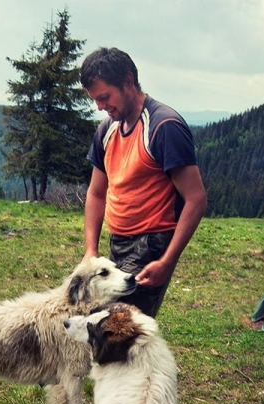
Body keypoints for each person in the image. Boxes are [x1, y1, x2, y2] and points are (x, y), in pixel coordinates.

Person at [80, 47, 207, 317]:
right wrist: (91, 250)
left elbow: (196, 199)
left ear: (128, 81)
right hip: (117, 241)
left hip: (151, 243)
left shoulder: (164, 126)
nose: (100, 107)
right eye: (95, 100)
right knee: (109, 323)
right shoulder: (107, 130)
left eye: (104, 97)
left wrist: (167, 260)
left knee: (117, 324)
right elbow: (96, 193)